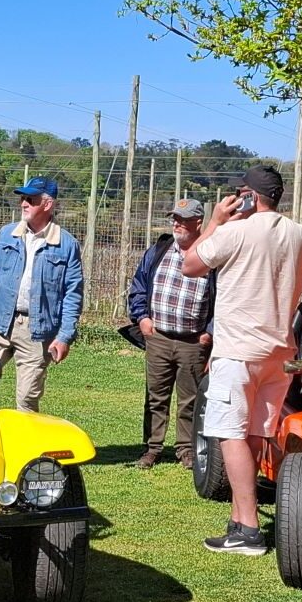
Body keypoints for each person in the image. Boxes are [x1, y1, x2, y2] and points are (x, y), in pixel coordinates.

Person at [182, 164, 302, 555]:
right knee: (255, 433)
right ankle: (240, 520)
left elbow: (190, 264)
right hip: (279, 353)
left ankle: (250, 529)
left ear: (251, 196)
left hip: (237, 351)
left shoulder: (233, 232)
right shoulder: (299, 234)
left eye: (242, 192)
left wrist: (216, 221)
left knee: (230, 434)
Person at [0, 176, 83, 412]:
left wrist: (64, 336)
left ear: (47, 204)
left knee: (27, 399)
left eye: (30, 199)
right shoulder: (7, 234)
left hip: (37, 330)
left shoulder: (67, 244)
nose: (23, 204)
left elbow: (73, 294)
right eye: (23, 198)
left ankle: (24, 447)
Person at [128, 197, 215, 470]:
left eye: (183, 219)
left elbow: (225, 299)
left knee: (190, 399)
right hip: (159, 337)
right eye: (174, 218)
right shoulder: (159, 250)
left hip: (193, 341)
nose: (176, 223)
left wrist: (209, 332)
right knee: (155, 396)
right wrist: (142, 318)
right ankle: (152, 449)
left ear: (198, 223)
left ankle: (186, 450)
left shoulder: (212, 257)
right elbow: (139, 285)